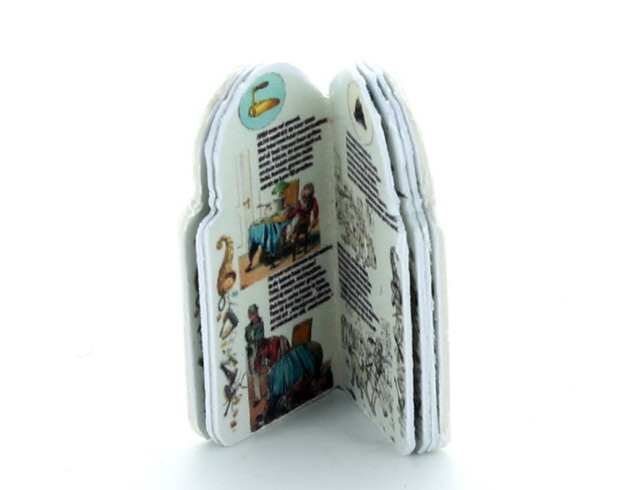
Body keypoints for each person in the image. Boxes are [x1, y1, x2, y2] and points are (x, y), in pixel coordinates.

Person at [244, 304, 265, 403]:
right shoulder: (248, 329)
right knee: (254, 373)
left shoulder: (260, 324)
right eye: (253, 314)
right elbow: (247, 339)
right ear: (250, 317)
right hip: (252, 353)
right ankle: (258, 396)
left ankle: (268, 392)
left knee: (264, 370)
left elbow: (259, 337)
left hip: (261, 351)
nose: (255, 315)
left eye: (256, 313)